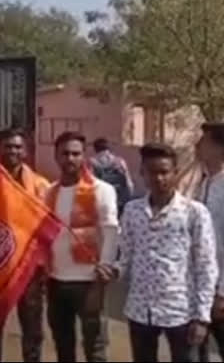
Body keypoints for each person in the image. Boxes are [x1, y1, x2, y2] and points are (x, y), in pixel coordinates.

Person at [97, 143, 217, 362]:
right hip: (140, 310)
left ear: (175, 173)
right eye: (153, 172)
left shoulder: (194, 213)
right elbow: (125, 256)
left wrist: (202, 318)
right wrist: (113, 271)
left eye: (164, 172)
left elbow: (206, 266)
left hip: (181, 312)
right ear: (142, 173)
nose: (159, 178)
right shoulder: (133, 212)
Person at [46, 131, 119, 363]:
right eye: (65, 153)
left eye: (76, 153)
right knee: (63, 345)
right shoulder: (49, 192)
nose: (70, 159)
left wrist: (103, 272)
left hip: (89, 282)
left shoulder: (102, 190)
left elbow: (110, 232)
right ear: (56, 156)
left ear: (84, 156)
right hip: (56, 281)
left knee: (95, 348)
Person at [0, 128, 50, 362]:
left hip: (29, 269)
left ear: (26, 151)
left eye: (18, 147)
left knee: (32, 329)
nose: (13, 151)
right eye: (8, 146)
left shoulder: (41, 186)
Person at [196, 123, 224, 361]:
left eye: (204, 141)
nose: (198, 146)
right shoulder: (205, 183)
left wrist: (222, 293)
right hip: (201, 287)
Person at [90, 138, 134, 215]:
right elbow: (129, 184)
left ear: (95, 148)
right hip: (118, 201)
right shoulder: (119, 161)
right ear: (109, 148)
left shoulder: (92, 162)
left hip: (100, 201)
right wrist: (128, 199)